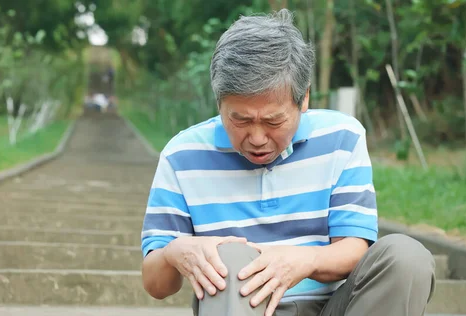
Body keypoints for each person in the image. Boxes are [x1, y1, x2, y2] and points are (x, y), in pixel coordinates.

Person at [140, 9, 436, 316]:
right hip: (238, 307)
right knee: (229, 259)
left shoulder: (341, 138)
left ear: (304, 98)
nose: (256, 137)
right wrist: (175, 252)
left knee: (406, 257)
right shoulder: (181, 156)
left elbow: (355, 248)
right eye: (239, 119)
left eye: (273, 121)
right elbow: (155, 283)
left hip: (333, 307)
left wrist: (304, 260)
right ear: (219, 102)